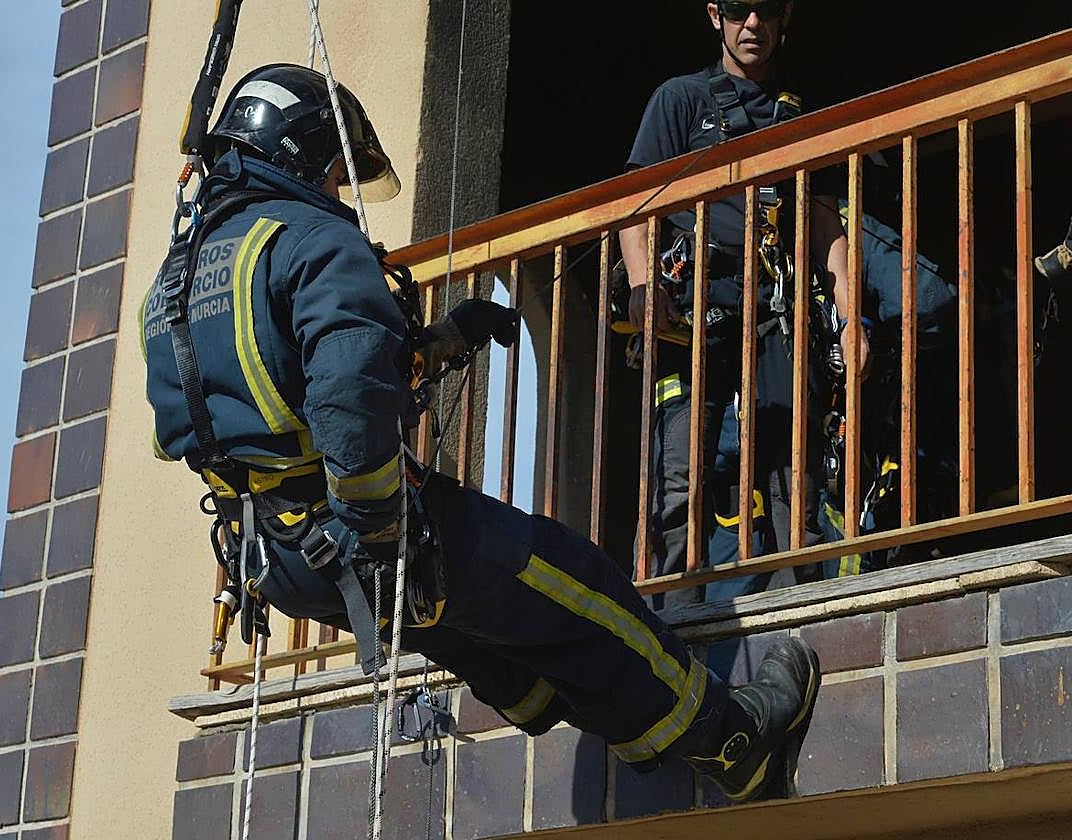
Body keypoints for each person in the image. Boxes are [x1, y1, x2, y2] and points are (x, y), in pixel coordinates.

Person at [142, 63, 822, 802]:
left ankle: (569, 705)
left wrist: (441, 341)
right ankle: (733, 742)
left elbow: (260, 398)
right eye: (338, 174)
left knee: (471, 625)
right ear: (301, 153)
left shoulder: (177, 281)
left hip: (275, 560)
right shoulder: (311, 240)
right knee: (577, 584)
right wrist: (382, 528)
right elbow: (345, 393)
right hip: (359, 532)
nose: (339, 194)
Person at [619, 0, 868, 604]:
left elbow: (824, 223)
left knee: (792, 464)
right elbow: (634, 204)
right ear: (715, 15)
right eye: (737, 9)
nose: (751, 23)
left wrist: (849, 316)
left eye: (766, 10)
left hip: (775, 307)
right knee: (680, 470)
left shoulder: (799, 114)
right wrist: (645, 289)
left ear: (785, 19)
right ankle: (670, 613)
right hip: (694, 308)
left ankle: (797, 604)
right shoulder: (680, 100)